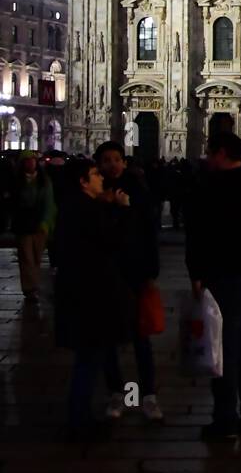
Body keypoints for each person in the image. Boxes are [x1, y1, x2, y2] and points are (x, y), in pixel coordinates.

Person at [184, 132, 241, 438]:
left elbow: (198, 234)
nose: (208, 158)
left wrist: (197, 274)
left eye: (211, 153)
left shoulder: (209, 187)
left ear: (222, 154)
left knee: (223, 349)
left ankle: (225, 419)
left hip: (225, 278)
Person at [54, 158, 135, 439]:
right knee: (88, 360)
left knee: (87, 359)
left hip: (79, 293)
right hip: (91, 297)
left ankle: (80, 417)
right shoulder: (85, 210)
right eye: (95, 174)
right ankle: (79, 422)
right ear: (83, 182)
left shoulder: (75, 207)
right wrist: (122, 211)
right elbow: (112, 242)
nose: (101, 178)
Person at [95, 141, 163, 422]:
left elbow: (148, 231)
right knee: (109, 339)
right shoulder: (93, 193)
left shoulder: (138, 189)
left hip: (134, 273)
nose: (112, 164)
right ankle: (116, 394)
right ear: (99, 164)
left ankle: (147, 396)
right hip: (106, 275)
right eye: (106, 160)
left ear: (124, 162)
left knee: (140, 338)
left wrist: (150, 272)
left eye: (116, 159)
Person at [10, 152, 56, 301]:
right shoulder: (17, 181)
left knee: (36, 257)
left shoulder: (44, 181)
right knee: (26, 257)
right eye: (27, 161)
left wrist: (46, 223)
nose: (30, 163)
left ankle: (33, 285)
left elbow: (49, 203)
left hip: (39, 224)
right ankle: (30, 288)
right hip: (23, 224)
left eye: (32, 161)